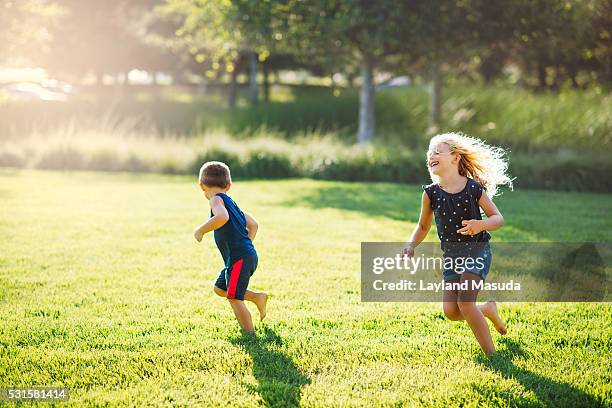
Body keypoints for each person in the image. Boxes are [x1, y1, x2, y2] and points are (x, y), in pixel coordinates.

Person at [404, 133, 513, 356]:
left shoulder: (473, 189)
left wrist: (479, 225)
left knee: (465, 303)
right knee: (451, 311)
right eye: (429, 153)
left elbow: (497, 218)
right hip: (452, 257)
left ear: (455, 157)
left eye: (437, 151)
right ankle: (487, 310)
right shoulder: (430, 194)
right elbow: (423, 227)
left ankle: (493, 355)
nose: (430, 156)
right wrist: (411, 245)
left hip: (477, 251)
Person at [193, 161, 267, 333]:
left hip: (239, 257)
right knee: (221, 289)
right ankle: (257, 298)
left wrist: (200, 231)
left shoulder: (216, 200)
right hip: (240, 257)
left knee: (234, 297)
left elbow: (222, 217)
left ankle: (250, 335)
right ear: (229, 185)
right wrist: (246, 247)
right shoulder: (232, 203)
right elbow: (254, 225)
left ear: (201, 186)